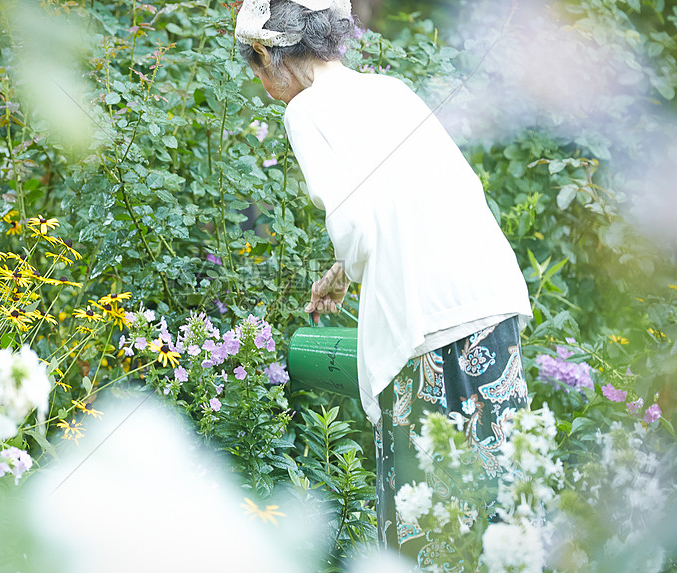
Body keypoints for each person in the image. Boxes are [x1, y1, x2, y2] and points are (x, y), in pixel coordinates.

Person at [234, 0, 533, 564]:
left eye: (255, 67)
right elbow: (429, 195)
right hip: (486, 297)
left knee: (429, 521)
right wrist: (344, 273)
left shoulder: (306, 111)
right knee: (504, 502)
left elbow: (357, 226)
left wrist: (351, 259)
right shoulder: (390, 91)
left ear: (268, 56)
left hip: (427, 325)